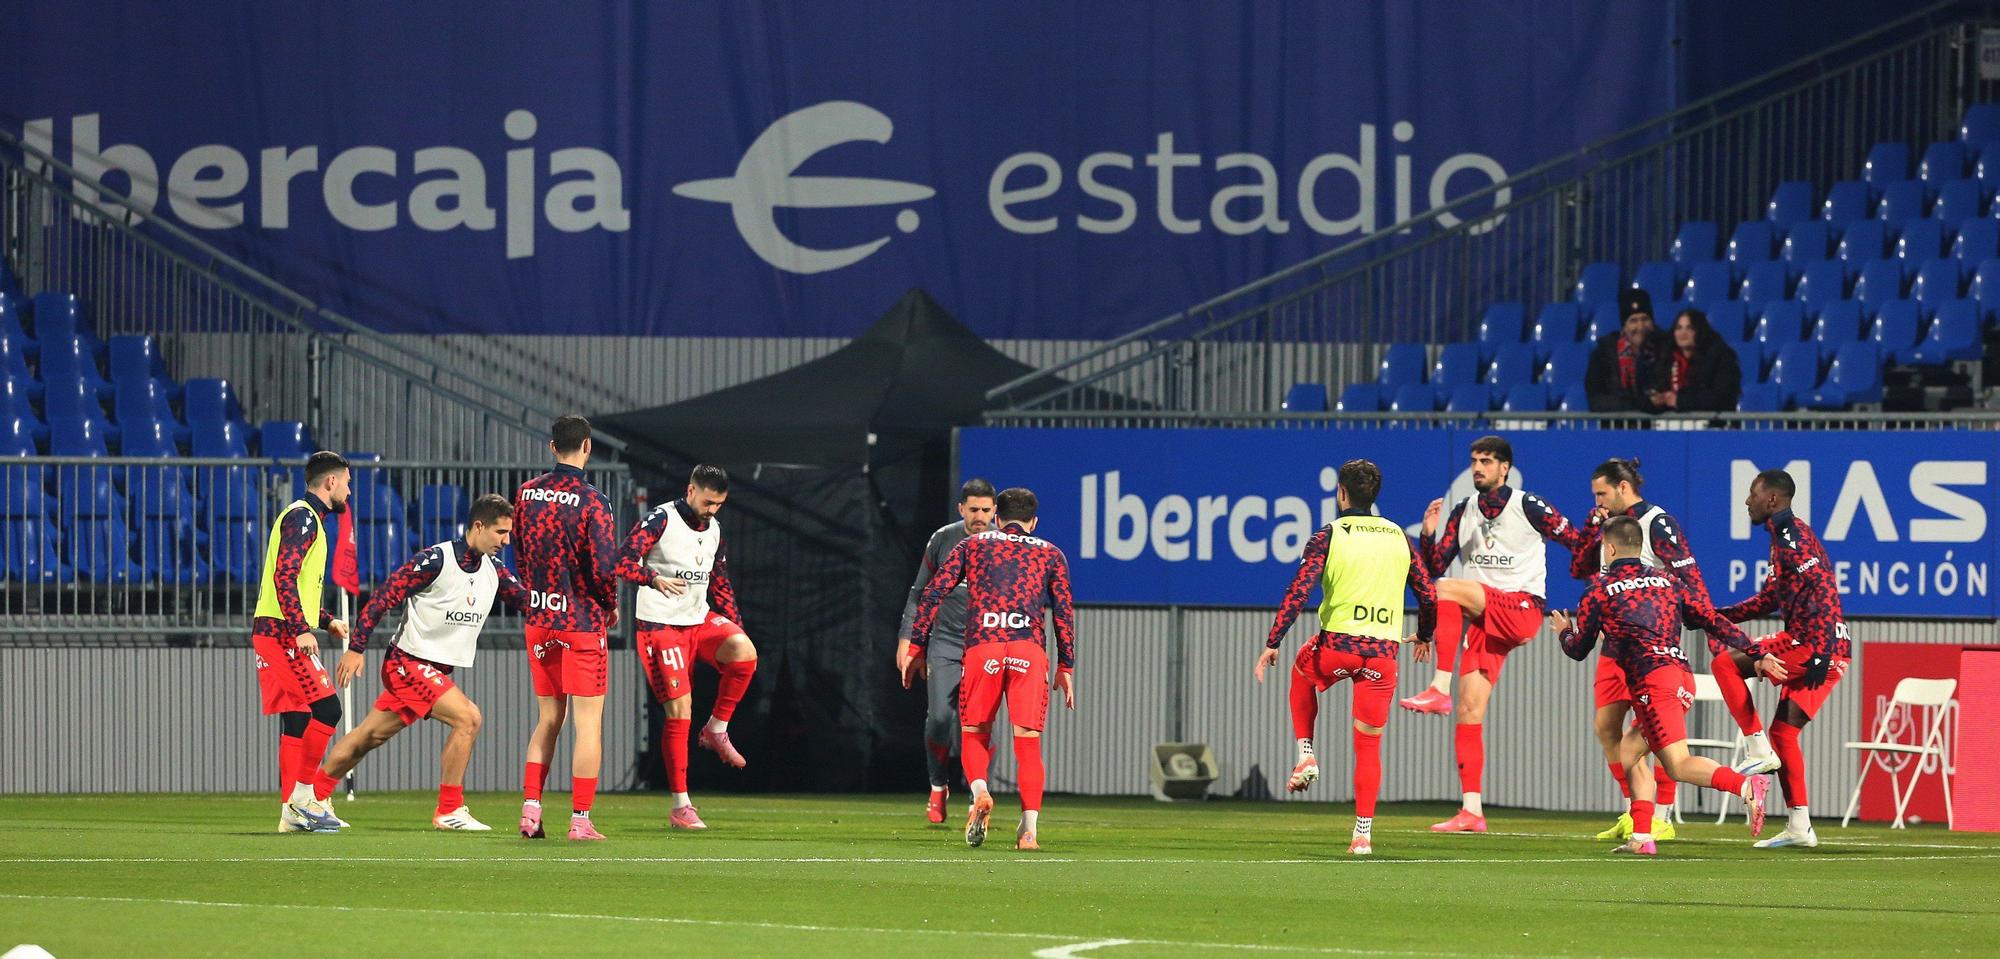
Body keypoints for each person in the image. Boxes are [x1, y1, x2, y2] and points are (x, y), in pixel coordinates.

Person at [1553, 515, 1782, 855]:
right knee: (1629, 751)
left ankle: (1746, 785)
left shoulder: (1598, 592)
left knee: (1677, 763)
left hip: (1652, 681)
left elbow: (1578, 649)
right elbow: (1712, 620)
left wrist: (1563, 632)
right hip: (1681, 676)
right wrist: (1756, 651)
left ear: (1610, 548)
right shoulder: (1668, 582)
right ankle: (1642, 837)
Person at [310, 494, 531, 831]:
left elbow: (532, 605)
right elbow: (383, 597)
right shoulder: (435, 560)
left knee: (369, 735)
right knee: (468, 718)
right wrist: (356, 648)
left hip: (432, 671)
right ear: (478, 526)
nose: (507, 540)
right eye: (501, 532)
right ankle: (449, 809)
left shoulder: (495, 571)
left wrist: (580, 614)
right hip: (407, 664)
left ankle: (314, 796)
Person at [1406, 435, 1589, 832]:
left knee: (1443, 592)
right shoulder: (1463, 509)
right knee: (1470, 710)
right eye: (1474, 460)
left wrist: (1600, 592)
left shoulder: (1528, 504)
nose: (1477, 467)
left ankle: (1437, 686)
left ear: (1504, 467)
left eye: (1486, 461)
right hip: (1484, 618)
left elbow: (1576, 543)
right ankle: (1471, 810)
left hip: (1521, 607)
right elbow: (1436, 563)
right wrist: (1427, 534)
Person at [1255, 459, 1437, 855]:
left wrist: (1273, 640)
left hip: (1339, 647)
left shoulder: (1329, 535)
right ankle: (1362, 835)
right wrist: (1424, 635)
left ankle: (1306, 756)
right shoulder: (1399, 538)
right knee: (1368, 745)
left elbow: (1298, 590)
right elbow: (1428, 594)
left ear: (1341, 494)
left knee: (1301, 672)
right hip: (1383, 656)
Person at [902, 487, 1075, 852]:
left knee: (974, 733)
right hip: (1028, 650)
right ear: (1034, 521)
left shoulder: (972, 545)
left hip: (984, 648)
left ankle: (979, 791)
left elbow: (933, 593)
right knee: (1028, 745)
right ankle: (1028, 832)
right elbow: (1063, 612)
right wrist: (1066, 665)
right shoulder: (1051, 554)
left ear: (997, 518)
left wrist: (917, 645)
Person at [1566, 457, 1728, 842]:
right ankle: (1634, 811)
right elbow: (1577, 568)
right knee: (1607, 727)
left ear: (1623, 488)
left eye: (1602, 493)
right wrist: (1593, 529)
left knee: (1654, 733)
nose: (1598, 501)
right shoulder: (1607, 527)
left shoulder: (1658, 522)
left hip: (1649, 644)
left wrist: (1710, 630)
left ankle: (1661, 817)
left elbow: (1690, 579)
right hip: (1613, 643)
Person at [1712, 468, 1853, 849]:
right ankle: (1800, 825)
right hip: (1831, 646)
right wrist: (1717, 616)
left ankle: (1756, 749)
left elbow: (1822, 586)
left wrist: (1820, 650)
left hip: (1812, 643)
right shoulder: (1784, 537)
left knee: (1724, 664)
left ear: (1772, 499)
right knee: (1785, 734)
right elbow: (1769, 599)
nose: (1747, 501)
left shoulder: (1791, 537)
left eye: (1752, 494)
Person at [614, 464, 759, 830]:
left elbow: (720, 580)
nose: (712, 510)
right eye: (708, 502)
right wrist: (652, 578)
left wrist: (734, 624)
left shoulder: (715, 529)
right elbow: (621, 561)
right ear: (690, 490)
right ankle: (681, 805)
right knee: (681, 710)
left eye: (719, 505)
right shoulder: (661, 519)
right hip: (660, 626)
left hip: (698, 620)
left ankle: (716, 729)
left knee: (745, 652)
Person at [513, 414, 622, 841]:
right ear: (588, 447)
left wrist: (535, 593)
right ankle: (580, 819)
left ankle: (530, 812)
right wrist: (609, 604)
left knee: (547, 718)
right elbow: (602, 566)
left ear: (551, 446)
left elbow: (518, 553)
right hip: (580, 621)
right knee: (587, 723)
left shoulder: (525, 494)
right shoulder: (594, 501)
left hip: (540, 618)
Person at [255, 450, 352, 833]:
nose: (348, 490)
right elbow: (285, 574)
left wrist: (324, 620)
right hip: (281, 632)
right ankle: (303, 797)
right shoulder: (304, 518)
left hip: (281, 627)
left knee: (297, 717)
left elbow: (295, 583)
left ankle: (291, 813)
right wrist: (300, 628)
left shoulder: (305, 518)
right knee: (327, 710)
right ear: (331, 482)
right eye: (346, 482)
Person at [895, 478, 997, 824]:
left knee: (980, 722)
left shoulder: (1003, 546)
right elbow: (918, 592)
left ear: (995, 511)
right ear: (961, 509)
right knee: (940, 717)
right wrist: (909, 639)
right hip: (946, 643)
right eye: (974, 510)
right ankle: (938, 785)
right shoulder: (943, 539)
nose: (980, 516)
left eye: (986, 510)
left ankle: (977, 794)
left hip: (986, 645)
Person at [1586, 288, 1672, 413]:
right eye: (1633, 321)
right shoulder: (1604, 352)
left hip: (1659, 428)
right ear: (1624, 326)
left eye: (1645, 319)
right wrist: (1641, 404)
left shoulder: (1666, 347)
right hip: (1617, 430)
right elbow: (1596, 401)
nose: (1640, 327)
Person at [1647, 308, 1742, 413]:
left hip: (1713, 426)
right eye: (1678, 328)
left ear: (1700, 331)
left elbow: (1721, 397)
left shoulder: (1720, 357)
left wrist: (1680, 401)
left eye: (1690, 328)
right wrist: (1658, 400)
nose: (1683, 333)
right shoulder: (1666, 360)